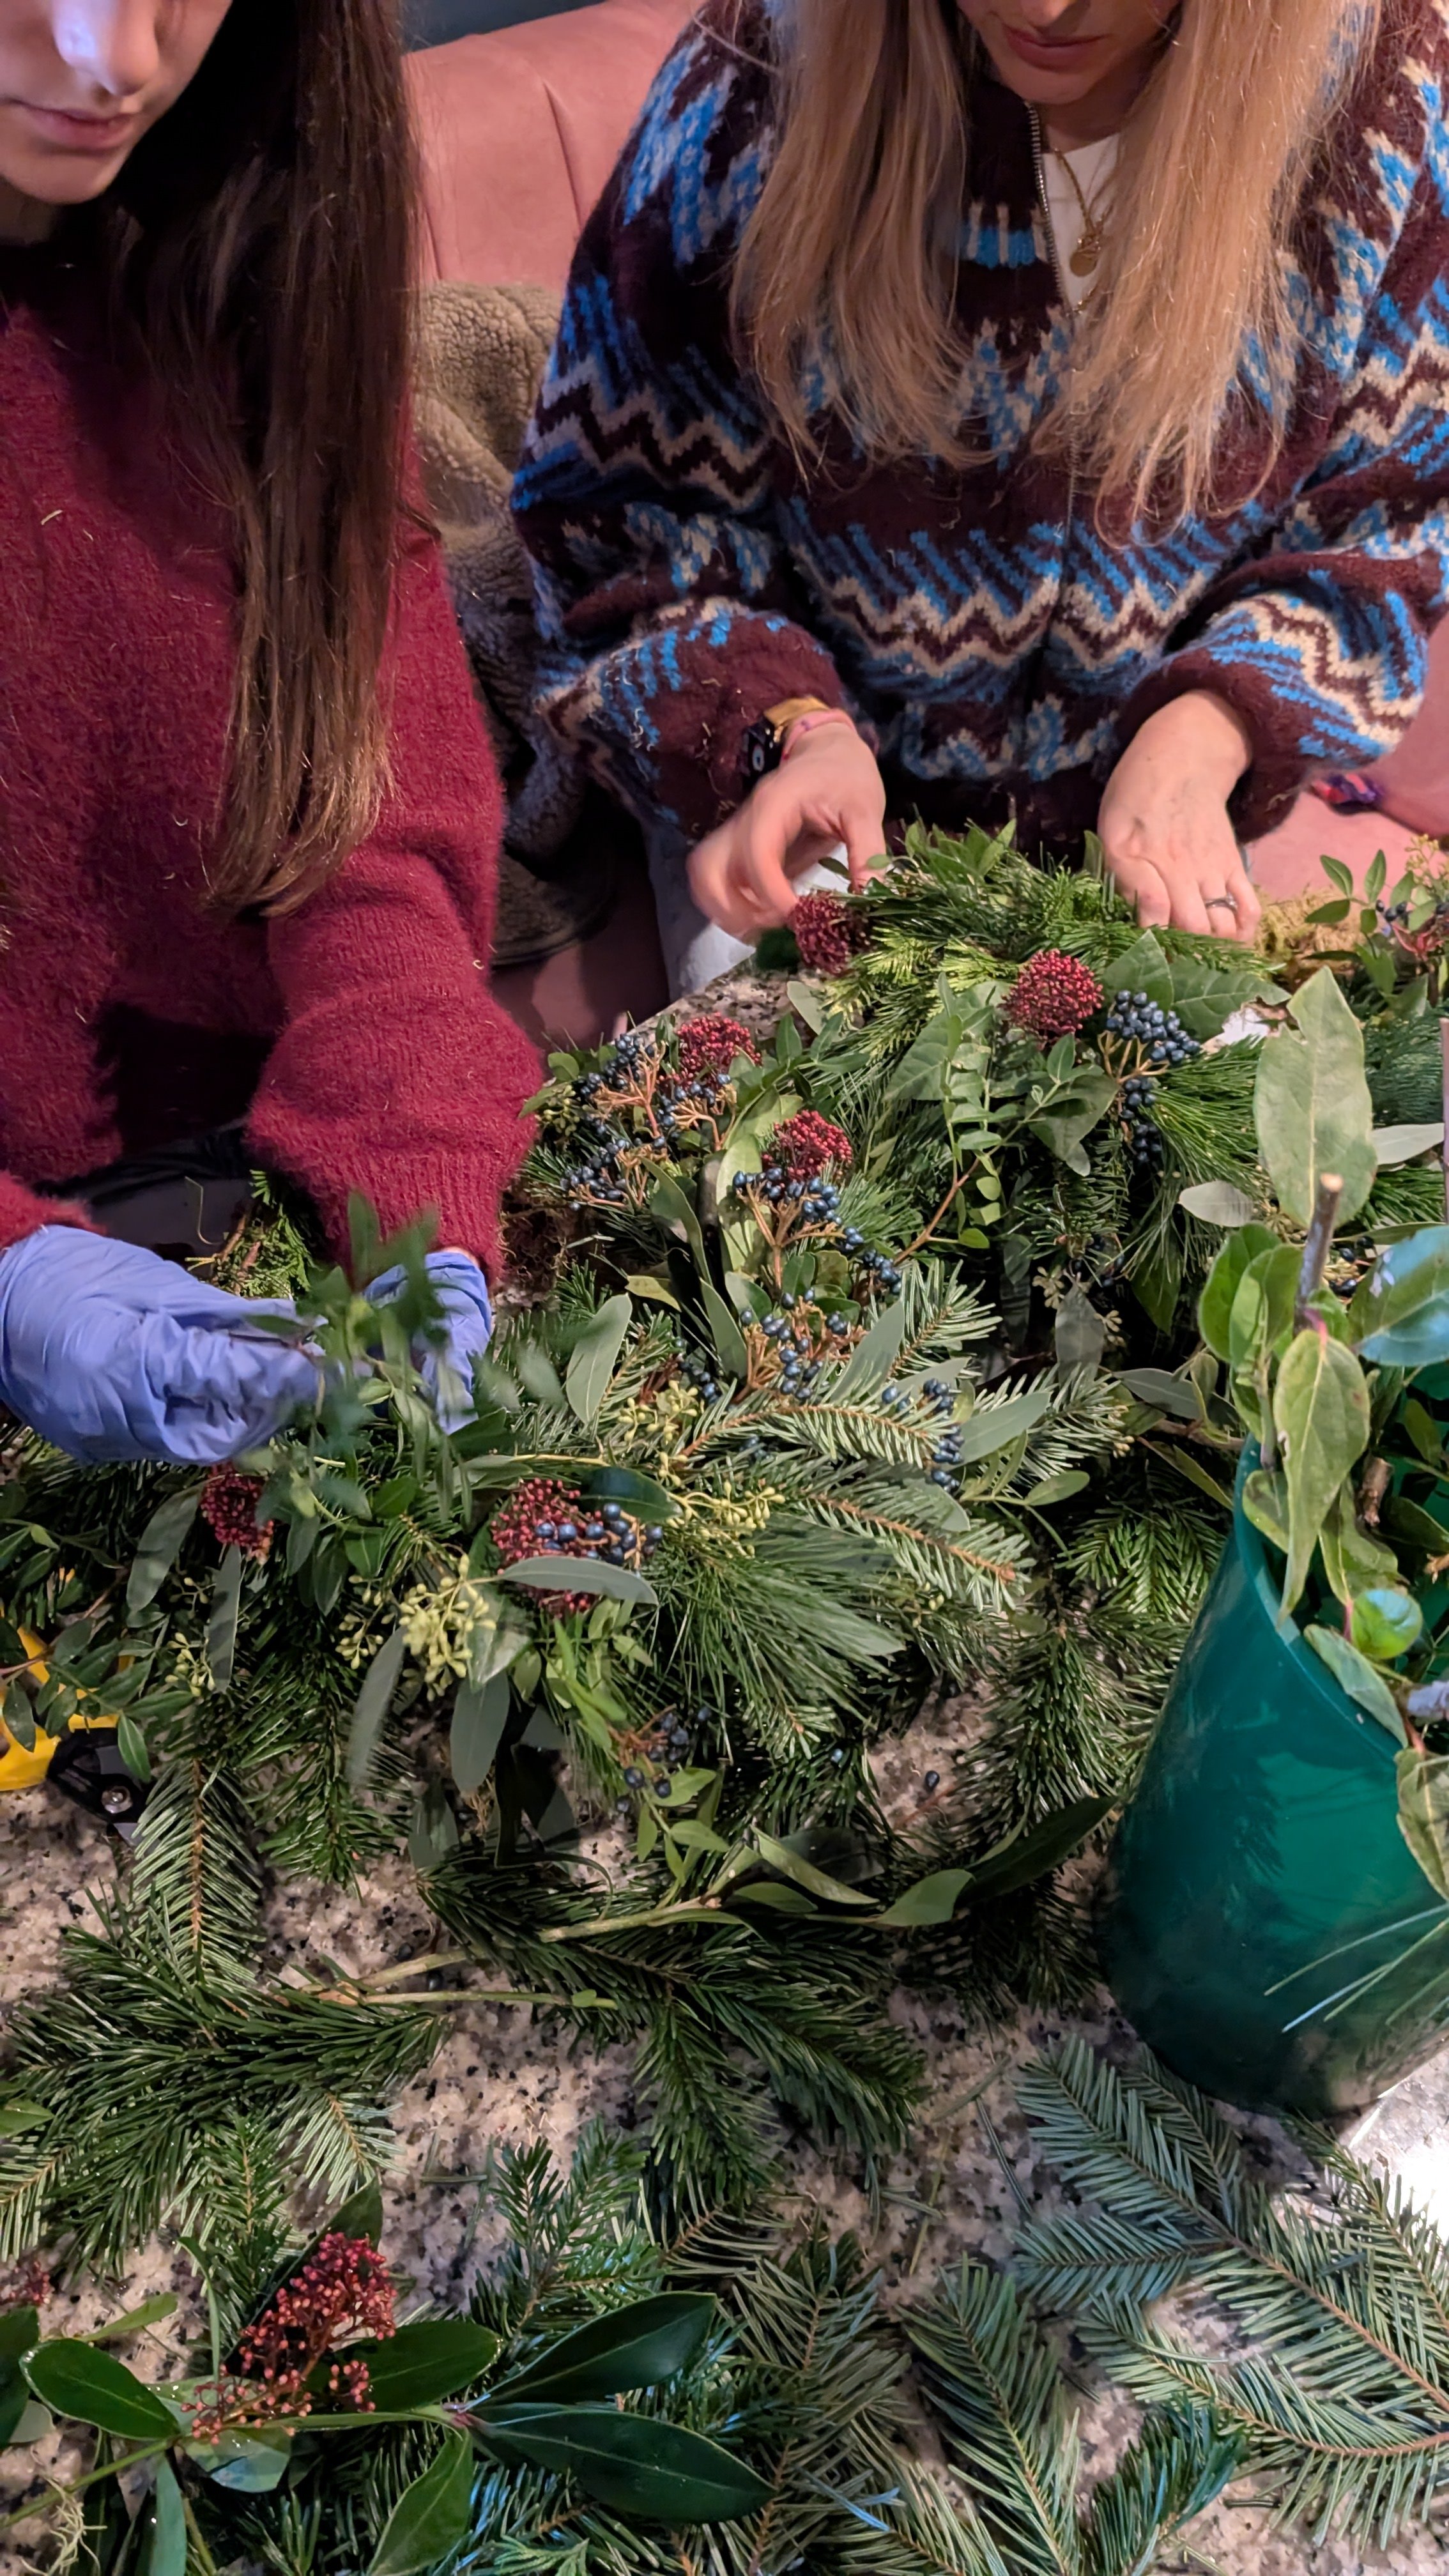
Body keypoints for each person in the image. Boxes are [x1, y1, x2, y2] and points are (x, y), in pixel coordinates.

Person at [514, 0, 1449, 994]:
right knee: (806, 1134)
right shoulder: (755, 82)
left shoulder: (1378, 97)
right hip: (805, 793)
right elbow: (617, 537)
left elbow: (1382, 533)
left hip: (1158, 812)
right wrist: (784, 732)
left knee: (1233, 1147)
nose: (1041, 8)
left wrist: (1210, 728)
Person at [0, 0, 540, 1463]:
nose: (117, 57)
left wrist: (415, 1186)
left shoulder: (257, 236)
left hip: (245, 1200)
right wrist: (11, 1275)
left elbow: (361, 822)